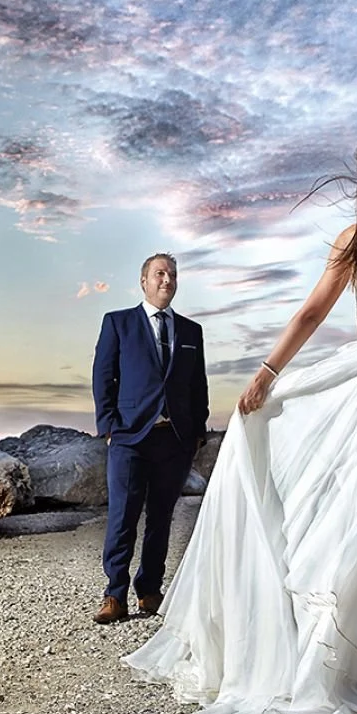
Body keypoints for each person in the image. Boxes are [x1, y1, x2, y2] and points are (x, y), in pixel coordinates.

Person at [122, 135, 357, 714]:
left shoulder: (354, 240)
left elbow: (311, 315)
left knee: (354, 512)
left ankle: (345, 653)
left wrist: (269, 373)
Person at [91, 253, 210, 624]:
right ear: (143, 281)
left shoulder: (191, 332)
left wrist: (196, 432)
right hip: (129, 437)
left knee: (161, 518)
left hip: (174, 440)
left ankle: (149, 590)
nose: (167, 280)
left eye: (172, 275)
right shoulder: (118, 323)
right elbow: (102, 377)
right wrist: (109, 426)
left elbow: (197, 385)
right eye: (159, 274)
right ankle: (115, 594)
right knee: (122, 517)